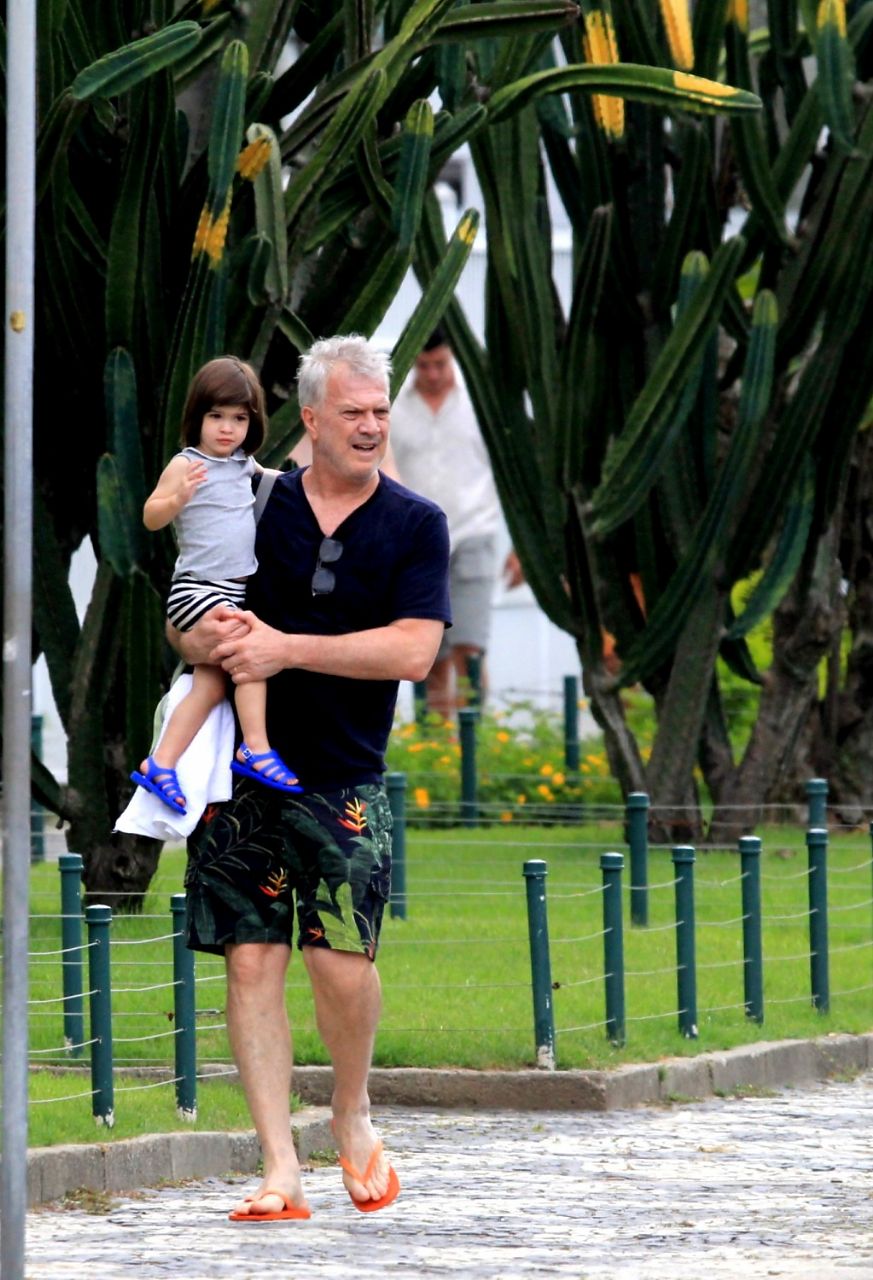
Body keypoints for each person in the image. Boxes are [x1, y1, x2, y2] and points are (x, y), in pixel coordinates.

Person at [173, 335, 450, 1221]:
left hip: (342, 781)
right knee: (250, 963)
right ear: (312, 419)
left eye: (381, 413)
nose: (371, 427)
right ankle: (279, 1166)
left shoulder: (415, 523)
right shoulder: (256, 502)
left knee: (340, 965)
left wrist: (288, 648)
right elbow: (194, 602)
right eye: (354, 413)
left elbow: (415, 649)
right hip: (238, 779)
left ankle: (349, 1108)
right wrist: (199, 640)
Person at [131, 356, 302, 814]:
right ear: (197, 418)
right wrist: (176, 497)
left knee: (207, 686)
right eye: (216, 416)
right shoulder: (187, 464)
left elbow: (276, 481)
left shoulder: (244, 466)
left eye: (239, 418)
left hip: (231, 591)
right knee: (252, 655)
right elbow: (150, 516)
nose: (227, 428)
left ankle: (160, 763)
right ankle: (257, 747)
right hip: (197, 589)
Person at [389, 327, 517, 715]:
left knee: (470, 647)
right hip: (420, 540)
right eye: (423, 365)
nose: (432, 373)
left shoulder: (479, 402)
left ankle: (474, 741)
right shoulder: (394, 407)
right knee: (430, 650)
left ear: (453, 359)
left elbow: (512, 475)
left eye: (440, 364)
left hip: (474, 531)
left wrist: (522, 548)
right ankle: (437, 743)